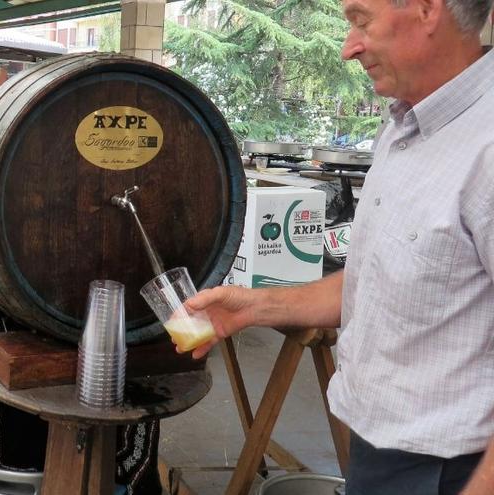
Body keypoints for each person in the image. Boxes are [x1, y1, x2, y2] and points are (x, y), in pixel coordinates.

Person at [184, 0, 494, 491]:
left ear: (427, 9)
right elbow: (379, 278)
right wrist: (253, 306)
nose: (348, 48)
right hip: (376, 447)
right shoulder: (402, 126)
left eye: (361, 20)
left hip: (451, 470)